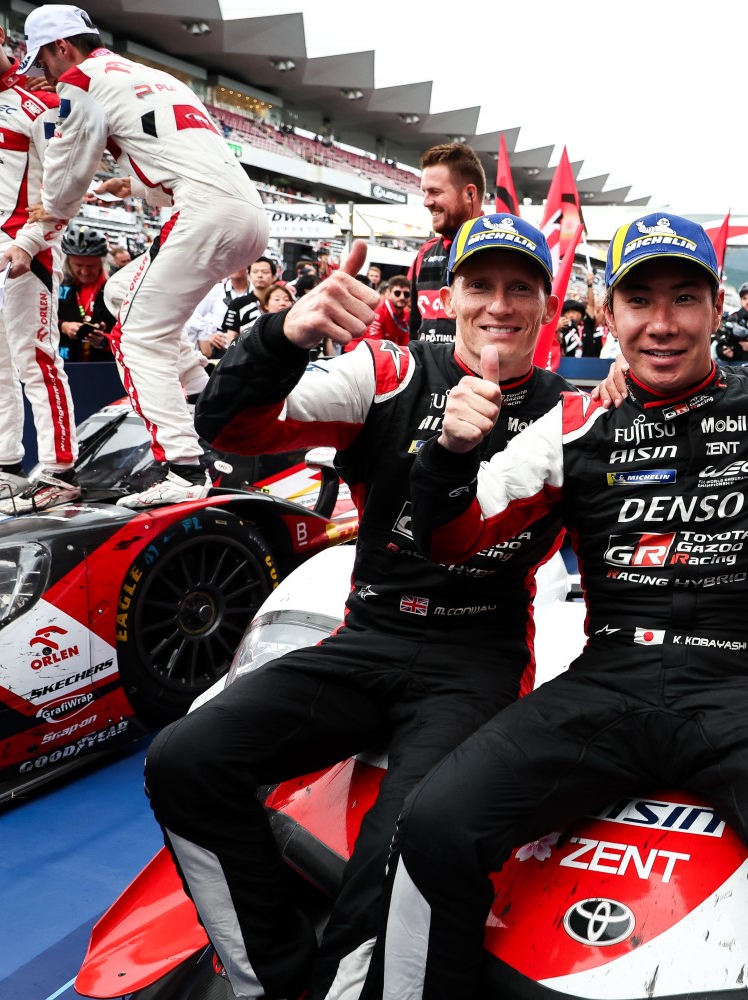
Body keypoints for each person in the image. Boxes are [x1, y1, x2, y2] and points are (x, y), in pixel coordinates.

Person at [376, 212, 748, 1000]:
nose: (662, 323)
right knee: (433, 823)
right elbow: (453, 537)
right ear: (607, 315)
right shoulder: (576, 423)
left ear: (718, 310)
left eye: (684, 298)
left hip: (735, 686)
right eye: (638, 302)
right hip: (607, 681)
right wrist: (446, 454)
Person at [146, 221, 575, 1000]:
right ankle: (270, 980)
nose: (500, 306)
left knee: (405, 841)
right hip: (369, 638)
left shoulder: (573, 417)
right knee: (183, 759)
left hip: (476, 664)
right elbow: (228, 426)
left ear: (549, 305)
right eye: (482, 285)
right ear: (452, 296)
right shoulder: (388, 372)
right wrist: (284, 332)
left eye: (521, 288)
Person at [0, 4, 269, 507]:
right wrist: (130, 185)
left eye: (45, 63)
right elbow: (176, 156)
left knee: (137, 335)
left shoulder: (79, 79)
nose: (47, 77)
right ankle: (204, 399)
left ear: (63, 47)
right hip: (245, 212)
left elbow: (61, 183)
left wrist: (32, 236)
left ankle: (185, 469)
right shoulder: (153, 76)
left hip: (202, 215)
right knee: (122, 290)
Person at [0, 2, 78, 512]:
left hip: (25, 251)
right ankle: (2, 465)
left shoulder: (39, 103)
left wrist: (30, 243)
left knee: (35, 360)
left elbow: (64, 191)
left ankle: (60, 470)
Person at [406, 143, 486, 347]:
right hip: (429, 377)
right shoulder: (424, 253)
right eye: (424, 192)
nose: (426, 202)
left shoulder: (500, 253)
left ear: (470, 194)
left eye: (435, 192)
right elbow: (415, 327)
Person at [57, 227, 115, 362]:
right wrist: (63, 326)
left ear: (102, 262)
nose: (84, 272)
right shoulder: (58, 284)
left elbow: (132, 336)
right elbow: (39, 321)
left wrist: (105, 341)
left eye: (91, 266)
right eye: (77, 265)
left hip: (105, 368)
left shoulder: (117, 287)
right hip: (66, 365)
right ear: (67, 262)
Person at [350, 276, 411, 351]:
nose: (402, 297)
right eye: (397, 293)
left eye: (406, 294)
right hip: (357, 350)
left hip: (381, 351)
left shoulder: (406, 314)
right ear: (388, 293)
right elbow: (373, 341)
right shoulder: (379, 310)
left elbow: (405, 342)